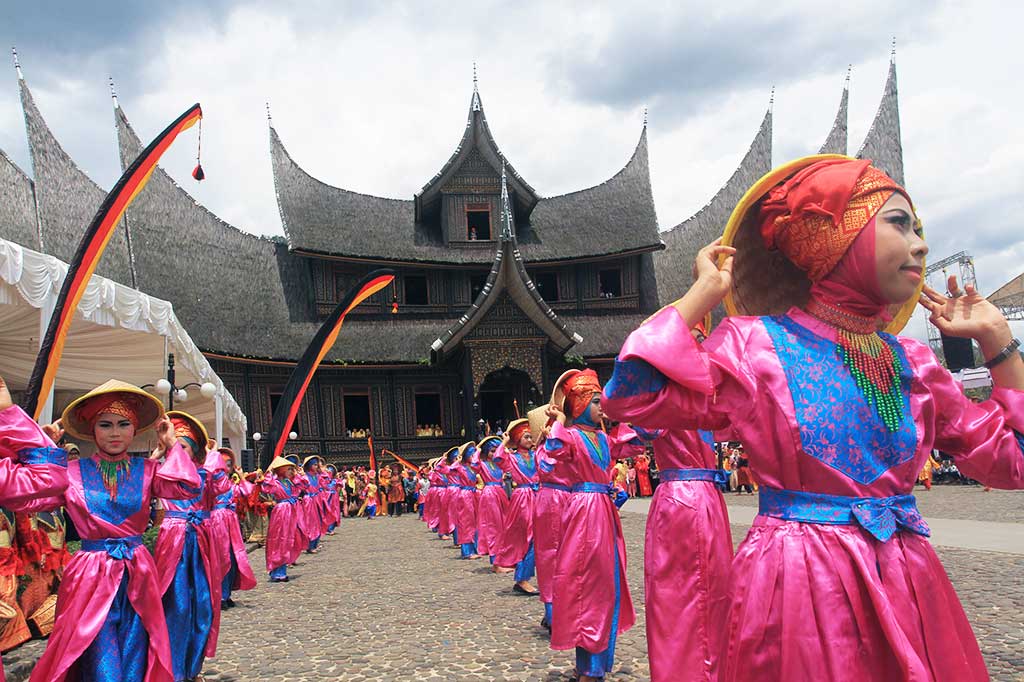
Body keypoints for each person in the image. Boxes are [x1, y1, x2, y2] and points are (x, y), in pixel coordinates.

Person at [607, 155, 1024, 680]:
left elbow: (1012, 462)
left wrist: (999, 344)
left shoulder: (913, 364)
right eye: (898, 223)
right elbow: (633, 395)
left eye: (918, 228)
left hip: (908, 580)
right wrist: (702, 295)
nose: (919, 243)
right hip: (798, 586)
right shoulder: (753, 346)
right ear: (836, 236)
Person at [26, 379, 199, 682]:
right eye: (105, 425)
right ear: (92, 430)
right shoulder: (70, 472)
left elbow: (186, 487)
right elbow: (33, 497)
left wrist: (171, 444)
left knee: (136, 651)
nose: (115, 433)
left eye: (123, 424)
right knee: (98, 654)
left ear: (135, 430)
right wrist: (43, 448)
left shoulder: (149, 472)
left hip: (138, 573)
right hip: (90, 576)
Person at [543, 370, 635, 681]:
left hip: (603, 511)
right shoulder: (569, 436)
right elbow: (553, 450)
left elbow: (634, 443)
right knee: (585, 584)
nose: (601, 407)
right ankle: (589, 666)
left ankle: (592, 665)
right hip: (583, 511)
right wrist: (558, 420)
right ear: (579, 403)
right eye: (596, 401)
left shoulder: (604, 439)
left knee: (604, 584)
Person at [155, 411, 229, 682]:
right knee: (177, 607)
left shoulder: (205, 475)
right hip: (173, 544)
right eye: (173, 446)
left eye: (183, 446)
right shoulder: (160, 474)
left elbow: (222, 484)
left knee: (203, 608)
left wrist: (211, 453)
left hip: (200, 544)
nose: (176, 451)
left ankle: (191, 668)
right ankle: (173, 670)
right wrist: (160, 453)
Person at [492, 419, 540, 594]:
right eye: (526, 437)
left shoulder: (537, 455)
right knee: (528, 536)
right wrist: (504, 442)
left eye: (531, 437)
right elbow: (498, 458)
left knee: (542, 536)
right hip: (523, 498)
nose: (529, 439)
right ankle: (522, 579)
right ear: (518, 439)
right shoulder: (512, 458)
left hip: (539, 496)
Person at [210, 448, 257, 609]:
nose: (227, 468)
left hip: (231, 524)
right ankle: (219, 596)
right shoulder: (211, 484)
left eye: (229, 464)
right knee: (221, 558)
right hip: (217, 523)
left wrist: (242, 475)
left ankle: (227, 593)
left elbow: (247, 491)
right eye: (224, 464)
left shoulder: (232, 485)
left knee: (232, 558)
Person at [260, 456, 306, 582]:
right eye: (289, 469)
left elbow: (303, 485)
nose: (292, 472)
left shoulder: (290, 483)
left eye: (292, 469)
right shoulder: (275, 483)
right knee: (279, 540)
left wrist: (298, 475)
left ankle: (282, 569)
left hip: (291, 511)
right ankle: (277, 572)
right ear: (281, 470)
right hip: (281, 512)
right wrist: (269, 472)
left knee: (288, 540)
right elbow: (266, 486)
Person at [468, 436, 508, 564]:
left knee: (503, 524)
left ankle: (502, 557)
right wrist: (478, 450)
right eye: (492, 450)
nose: (494, 453)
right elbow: (474, 464)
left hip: (501, 493)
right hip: (490, 494)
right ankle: (495, 559)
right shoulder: (483, 465)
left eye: (496, 450)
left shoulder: (499, 465)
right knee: (492, 526)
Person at [451, 443, 481, 559]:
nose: (473, 456)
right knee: (466, 522)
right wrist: (458, 461)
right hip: (464, 495)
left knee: (475, 522)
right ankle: (467, 551)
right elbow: (448, 469)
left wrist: (477, 453)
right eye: (471, 454)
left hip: (473, 494)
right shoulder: (460, 466)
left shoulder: (473, 467)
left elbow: (478, 465)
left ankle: (476, 547)